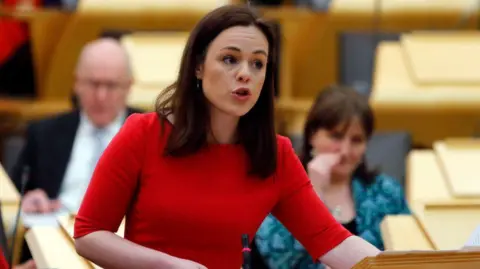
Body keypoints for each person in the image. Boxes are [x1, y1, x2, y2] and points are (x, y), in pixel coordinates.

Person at [73, 5, 380, 269]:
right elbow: (89, 235)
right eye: (230, 59)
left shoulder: (275, 154)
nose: (245, 73)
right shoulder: (143, 133)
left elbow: (334, 243)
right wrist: (167, 264)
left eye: (258, 63)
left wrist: (404, 264)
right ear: (198, 66)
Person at [11, 38, 141, 262]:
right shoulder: (44, 133)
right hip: (51, 244)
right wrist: (28, 200)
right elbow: (14, 196)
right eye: (92, 84)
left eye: (111, 85)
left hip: (123, 249)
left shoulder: (151, 132)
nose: (101, 96)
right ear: (76, 83)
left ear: (129, 86)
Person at [255, 86, 410, 268]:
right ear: (312, 135)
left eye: (356, 140)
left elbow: (410, 252)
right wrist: (314, 191)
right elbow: (279, 260)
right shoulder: (278, 188)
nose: (345, 151)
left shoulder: (386, 191)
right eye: (336, 136)